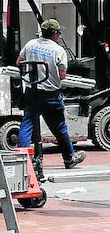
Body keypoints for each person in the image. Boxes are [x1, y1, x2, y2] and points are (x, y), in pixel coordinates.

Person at [17, 18, 85, 180]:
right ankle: (69, 158)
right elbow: (62, 75)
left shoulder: (30, 44)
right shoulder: (58, 50)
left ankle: (21, 160)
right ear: (55, 34)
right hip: (50, 95)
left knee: (27, 124)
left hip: (32, 92)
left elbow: (19, 62)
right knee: (59, 127)